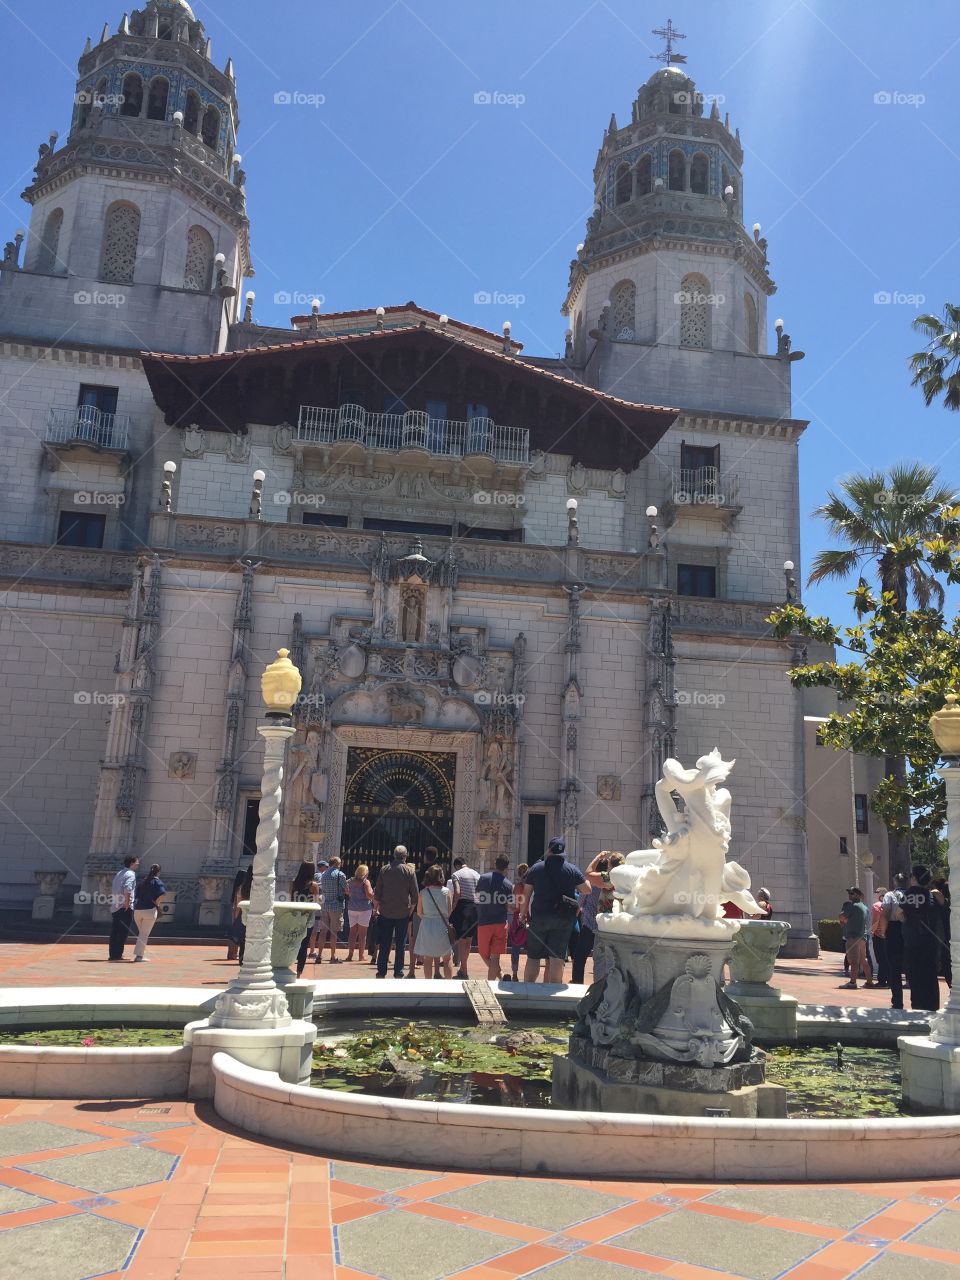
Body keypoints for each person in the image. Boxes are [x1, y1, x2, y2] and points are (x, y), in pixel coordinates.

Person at [519, 837, 590, 984]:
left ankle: (528, 988)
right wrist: (588, 878)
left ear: (549, 850)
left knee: (533, 956)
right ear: (563, 852)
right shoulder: (572, 869)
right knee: (557, 958)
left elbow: (526, 893)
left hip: (539, 917)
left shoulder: (536, 868)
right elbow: (586, 890)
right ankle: (554, 989)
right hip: (563, 919)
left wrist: (523, 913)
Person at [373, 845, 419, 979]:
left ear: (394, 855)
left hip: (386, 911)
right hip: (403, 912)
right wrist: (410, 910)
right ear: (406, 856)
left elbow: (377, 893)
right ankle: (398, 971)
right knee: (400, 944)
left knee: (385, 942)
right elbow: (415, 895)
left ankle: (381, 971)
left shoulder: (384, 869)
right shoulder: (409, 871)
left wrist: (376, 908)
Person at [902, 865, 941, 1012]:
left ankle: (918, 1006)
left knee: (915, 976)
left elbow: (899, 913)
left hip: (913, 942)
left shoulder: (909, 894)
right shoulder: (933, 895)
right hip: (930, 942)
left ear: (914, 878)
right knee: (930, 976)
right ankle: (932, 1006)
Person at [475, 855, 513, 981]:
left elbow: (477, 898)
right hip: (500, 923)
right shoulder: (508, 885)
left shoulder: (483, 878)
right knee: (495, 958)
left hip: (484, 921)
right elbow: (510, 907)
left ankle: (498, 979)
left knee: (483, 953)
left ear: (494, 863)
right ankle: (499, 978)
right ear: (506, 868)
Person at [416, 863, 455, 979]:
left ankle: (428, 984)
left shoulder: (423, 892)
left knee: (428, 958)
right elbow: (449, 911)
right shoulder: (447, 891)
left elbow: (419, 912)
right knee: (447, 957)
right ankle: (448, 983)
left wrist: (428, 917)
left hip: (427, 925)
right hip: (442, 925)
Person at [450, 857, 480, 979]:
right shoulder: (476, 874)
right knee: (468, 940)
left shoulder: (456, 875)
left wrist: (453, 906)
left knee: (462, 940)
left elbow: (457, 892)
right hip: (475, 908)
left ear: (456, 865)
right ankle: (463, 968)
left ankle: (464, 971)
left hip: (463, 907)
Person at [839, 886, 873, 989]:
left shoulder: (852, 906)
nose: (849, 895)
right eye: (849, 893)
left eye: (852, 893)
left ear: (858, 895)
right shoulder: (865, 907)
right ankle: (869, 981)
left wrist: (843, 920)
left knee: (853, 960)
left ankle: (852, 982)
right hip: (862, 937)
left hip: (853, 936)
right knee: (863, 960)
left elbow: (841, 917)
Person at [291, 861, 320, 978]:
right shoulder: (313, 885)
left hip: (295, 916)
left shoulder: (294, 883)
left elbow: (291, 899)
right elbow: (316, 902)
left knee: (294, 942)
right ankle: (299, 973)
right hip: (308, 917)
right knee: (304, 945)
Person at [882, 874, 907, 1010]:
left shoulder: (889, 895)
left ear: (894, 882)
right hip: (908, 929)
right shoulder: (910, 895)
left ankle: (897, 1002)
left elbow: (885, 913)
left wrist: (883, 931)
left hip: (893, 930)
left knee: (894, 968)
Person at [132, 863, 166, 962]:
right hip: (149, 910)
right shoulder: (157, 882)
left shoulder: (143, 881)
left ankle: (141, 954)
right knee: (144, 934)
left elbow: (136, 895)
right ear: (159, 872)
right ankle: (139, 956)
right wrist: (157, 904)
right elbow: (163, 894)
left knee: (142, 934)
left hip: (138, 910)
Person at [108, 855, 139, 961]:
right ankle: (118, 954)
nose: (138, 864)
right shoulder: (131, 874)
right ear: (132, 863)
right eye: (136, 862)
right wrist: (127, 903)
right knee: (122, 932)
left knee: (115, 931)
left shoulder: (119, 873)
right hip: (124, 906)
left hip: (115, 906)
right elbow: (128, 888)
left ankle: (113, 954)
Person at [318, 857, 347, 963]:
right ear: (337, 864)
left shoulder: (323, 875)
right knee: (334, 932)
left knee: (323, 932)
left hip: (325, 906)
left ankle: (319, 955)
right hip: (336, 906)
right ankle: (332, 957)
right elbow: (347, 890)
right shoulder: (340, 875)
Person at [504, 863, 528, 982]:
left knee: (515, 948)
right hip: (529, 918)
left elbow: (512, 906)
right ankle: (529, 975)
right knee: (532, 948)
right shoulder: (532, 886)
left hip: (517, 919)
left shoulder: (517, 887)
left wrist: (509, 907)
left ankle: (514, 973)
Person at [345, 864, 374, 961]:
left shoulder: (350, 881)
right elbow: (369, 894)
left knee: (352, 933)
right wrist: (375, 897)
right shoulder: (365, 882)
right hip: (364, 909)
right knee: (362, 934)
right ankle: (361, 956)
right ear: (365, 873)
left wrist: (352, 895)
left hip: (352, 908)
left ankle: (350, 955)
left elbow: (346, 891)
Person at [306, 859, 330, 960]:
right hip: (317, 903)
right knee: (314, 929)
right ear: (322, 867)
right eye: (326, 867)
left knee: (310, 929)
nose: (327, 868)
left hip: (309, 902)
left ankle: (309, 950)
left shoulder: (313, 875)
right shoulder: (320, 875)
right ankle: (312, 950)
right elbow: (320, 887)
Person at [933, 878, 952, 987]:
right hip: (948, 937)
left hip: (945, 938)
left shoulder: (945, 904)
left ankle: (951, 987)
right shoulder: (949, 904)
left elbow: (935, 892)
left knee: (947, 963)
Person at [870, 887, 890, 987]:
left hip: (879, 936)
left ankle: (882, 981)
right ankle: (890, 980)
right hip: (889, 935)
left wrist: (871, 931)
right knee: (888, 959)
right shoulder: (890, 904)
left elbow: (875, 921)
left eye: (876, 892)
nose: (875, 893)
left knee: (881, 959)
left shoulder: (876, 906)